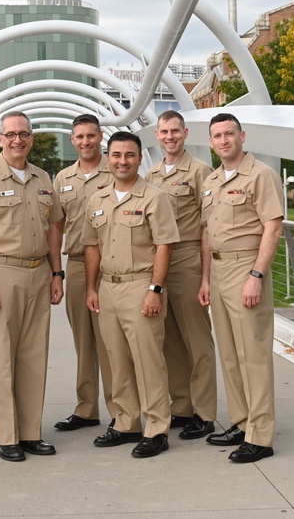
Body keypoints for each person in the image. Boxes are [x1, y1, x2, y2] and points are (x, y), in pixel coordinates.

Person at [0, 111, 64, 462]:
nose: (17, 139)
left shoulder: (42, 178)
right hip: (1, 274)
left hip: (38, 274)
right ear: (1, 139)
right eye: (10, 134)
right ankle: (7, 437)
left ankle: (31, 433)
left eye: (23, 133)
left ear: (31, 138)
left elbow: (54, 228)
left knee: (34, 356)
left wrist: (56, 274)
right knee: (2, 359)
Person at [84, 131, 180, 459]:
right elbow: (91, 247)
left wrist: (155, 290)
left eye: (129, 155)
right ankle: (126, 422)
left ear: (140, 159)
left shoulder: (154, 197)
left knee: (148, 360)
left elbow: (165, 245)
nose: (122, 161)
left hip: (141, 287)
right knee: (117, 361)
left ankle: (156, 428)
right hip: (107, 289)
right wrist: (91, 288)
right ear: (107, 158)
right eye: (116, 155)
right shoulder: (97, 200)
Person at [198, 112, 284, 464]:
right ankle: (241, 421)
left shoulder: (261, 175)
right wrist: (205, 278)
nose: (223, 140)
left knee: (254, 355)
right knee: (231, 354)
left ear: (242, 136)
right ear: (211, 142)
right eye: (217, 135)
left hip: (245, 268)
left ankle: (260, 436)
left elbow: (273, 227)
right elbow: (206, 232)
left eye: (229, 134)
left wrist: (257, 275)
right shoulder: (213, 180)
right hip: (217, 271)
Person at [144, 110, 218, 440]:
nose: (170, 136)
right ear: (157, 136)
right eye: (164, 131)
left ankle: (204, 413)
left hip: (186, 259)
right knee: (170, 341)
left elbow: (207, 227)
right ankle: (183, 406)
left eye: (176, 131)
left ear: (185, 133)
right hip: (160, 262)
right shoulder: (151, 176)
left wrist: (205, 277)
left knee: (197, 341)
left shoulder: (201, 173)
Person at [52, 114, 115, 432]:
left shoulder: (117, 170)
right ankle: (87, 409)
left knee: (112, 343)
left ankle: (121, 410)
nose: (86, 141)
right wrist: (56, 273)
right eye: (80, 136)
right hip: (76, 266)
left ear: (101, 136)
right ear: (72, 140)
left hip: (112, 268)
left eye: (91, 135)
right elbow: (55, 227)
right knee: (84, 342)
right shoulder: (63, 179)